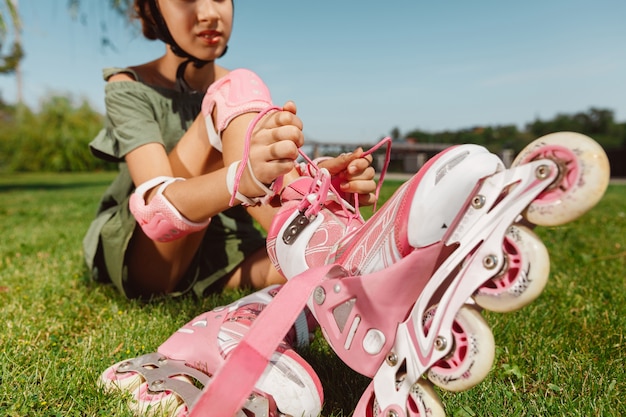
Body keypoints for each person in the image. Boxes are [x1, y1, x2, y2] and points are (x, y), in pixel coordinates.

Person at [87, 1, 377, 416]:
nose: (209, 13)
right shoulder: (130, 86)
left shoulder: (239, 101)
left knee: (308, 272)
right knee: (237, 88)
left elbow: (266, 175)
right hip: (153, 256)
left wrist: (323, 185)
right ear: (152, 9)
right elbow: (154, 212)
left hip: (222, 254)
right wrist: (243, 177)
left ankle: (346, 256)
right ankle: (323, 235)